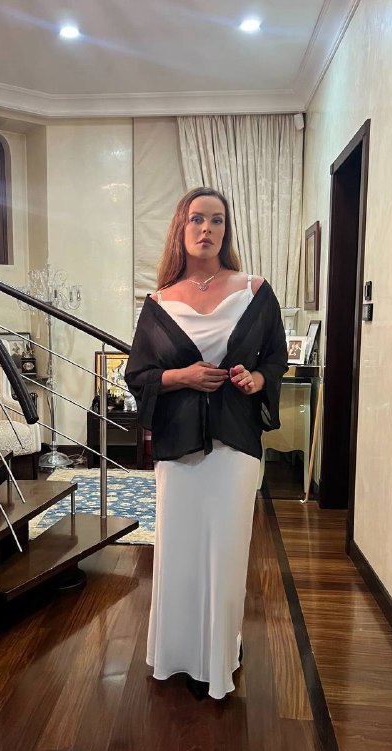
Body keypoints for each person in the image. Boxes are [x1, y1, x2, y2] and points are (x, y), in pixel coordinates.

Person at [125, 187, 288, 701]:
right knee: (179, 549)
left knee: (227, 550)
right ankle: (177, 654)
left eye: (217, 220)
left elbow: (276, 359)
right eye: (197, 219)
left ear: (226, 230)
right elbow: (138, 375)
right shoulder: (158, 304)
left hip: (235, 445)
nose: (206, 229)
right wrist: (184, 377)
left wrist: (257, 381)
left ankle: (218, 658)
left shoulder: (255, 292)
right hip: (178, 448)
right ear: (181, 227)